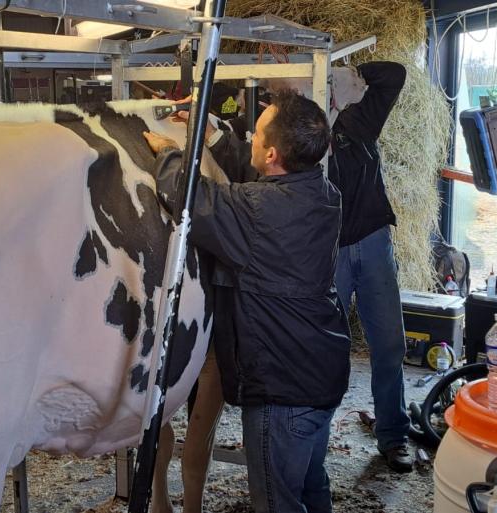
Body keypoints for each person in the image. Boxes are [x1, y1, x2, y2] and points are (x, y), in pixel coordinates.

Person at [144, 89, 351, 513]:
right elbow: (262, 179)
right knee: (311, 486)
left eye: (255, 134)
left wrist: (168, 152)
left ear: (273, 153)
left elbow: (190, 199)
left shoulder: (255, 212)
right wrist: (215, 140)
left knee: (276, 502)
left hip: (281, 391)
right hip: (322, 375)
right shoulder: (324, 193)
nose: (251, 138)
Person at [328, 61, 412, 472]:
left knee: (390, 345)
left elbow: (393, 74)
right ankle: (315, 436)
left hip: (373, 240)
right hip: (330, 250)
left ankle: (394, 435)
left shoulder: (359, 117)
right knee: (324, 347)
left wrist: (350, 71)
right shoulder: (305, 128)